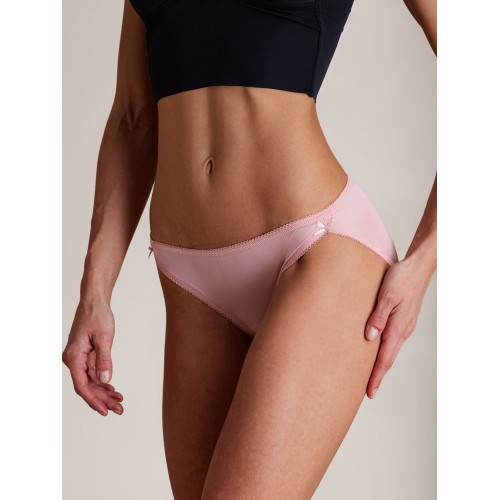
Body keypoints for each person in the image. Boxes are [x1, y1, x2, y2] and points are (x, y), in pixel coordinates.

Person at [63, 0, 436, 497]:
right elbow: (133, 119)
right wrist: (94, 293)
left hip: (316, 246)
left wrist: (426, 259)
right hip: (191, 283)